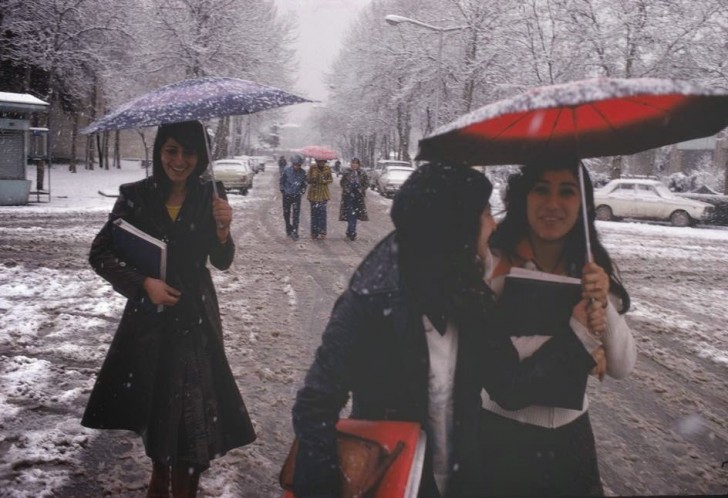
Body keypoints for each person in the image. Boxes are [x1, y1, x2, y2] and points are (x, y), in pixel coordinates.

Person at [291, 163, 601, 498]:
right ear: (454, 225)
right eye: (484, 213)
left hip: (460, 479)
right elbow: (315, 407)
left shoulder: (468, 291)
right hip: (391, 478)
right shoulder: (371, 300)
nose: (493, 224)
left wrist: (578, 334)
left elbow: (510, 387)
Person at [83, 121, 256, 498]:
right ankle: (160, 477)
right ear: (159, 151)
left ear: (201, 156)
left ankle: (184, 483)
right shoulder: (136, 196)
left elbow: (221, 261)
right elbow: (100, 253)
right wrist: (144, 285)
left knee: (194, 413)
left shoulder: (211, 193)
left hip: (195, 318)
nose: (179, 161)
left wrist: (224, 231)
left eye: (189, 153)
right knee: (159, 405)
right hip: (150, 319)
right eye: (171, 150)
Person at [479, 157, 636, 496]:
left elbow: (623, 366)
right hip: (499, 440)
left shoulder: (591, 266)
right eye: (541, 190)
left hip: (571, 442)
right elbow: (489, 367)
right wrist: (577, 336)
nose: (552, 204)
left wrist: (603, 300)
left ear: (583, 205)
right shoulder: (494, 262)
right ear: (524, 198)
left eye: (567, 192)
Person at [338, 157, 369, 240]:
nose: (354, 165)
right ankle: (352, 232)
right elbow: (342, 183)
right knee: (350, 213)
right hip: (348, 196)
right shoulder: (347, 173)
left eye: (356, 163)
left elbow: (366, 183)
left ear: (358, 165)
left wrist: (361, 189)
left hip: (358, 196)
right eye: (353, 163)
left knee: (355, 214)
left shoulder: (362, 173)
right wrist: (347, 190)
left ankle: (350, 230)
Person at [279, 154, 308, 240]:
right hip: (287, 195)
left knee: (296, 214)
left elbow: (304, 184)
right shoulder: (287, 171)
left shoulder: (303, 173)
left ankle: (295, 231)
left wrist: (302, 191)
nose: (297, 166)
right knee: (286, 213)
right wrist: (283, 190)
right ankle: (288, 228)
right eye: (295, 164)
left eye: (298, 165)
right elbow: (282, 181)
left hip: (296, 196)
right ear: (292, 164)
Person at [306, 158, 333, 240]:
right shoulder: (312, 168)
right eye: (320, 161)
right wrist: (312, 178)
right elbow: (308, 180)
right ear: (317, 161)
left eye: (323, 161)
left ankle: (322, 232)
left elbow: (331, 180)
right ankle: (314, 232)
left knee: (322, 214)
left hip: (323, 194)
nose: (321, 163)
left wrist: (323, 180)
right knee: (314, 214)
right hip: (313, 194)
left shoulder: (328, 168)